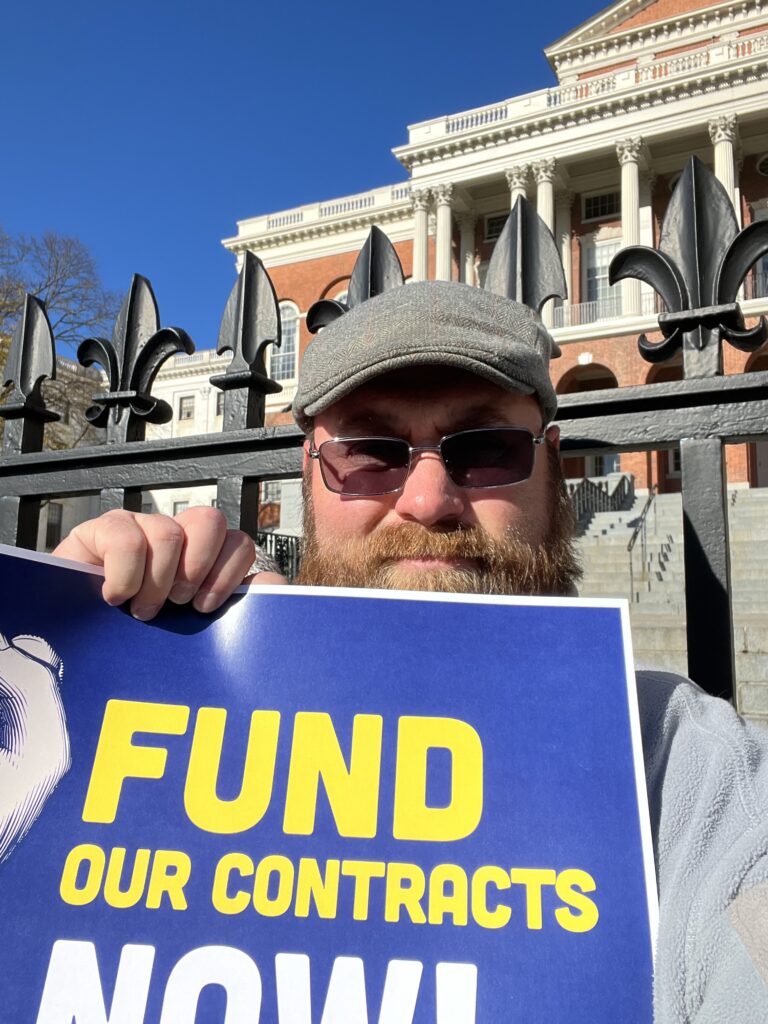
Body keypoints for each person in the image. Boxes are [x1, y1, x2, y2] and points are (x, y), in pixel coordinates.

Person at [53, 277, 768, 1022]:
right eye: (370, 453)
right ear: (309, 474)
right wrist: (80, 658)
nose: (428, 503)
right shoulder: (167, 719)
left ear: (553, 469)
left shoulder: (690, 779)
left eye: (486, 450)